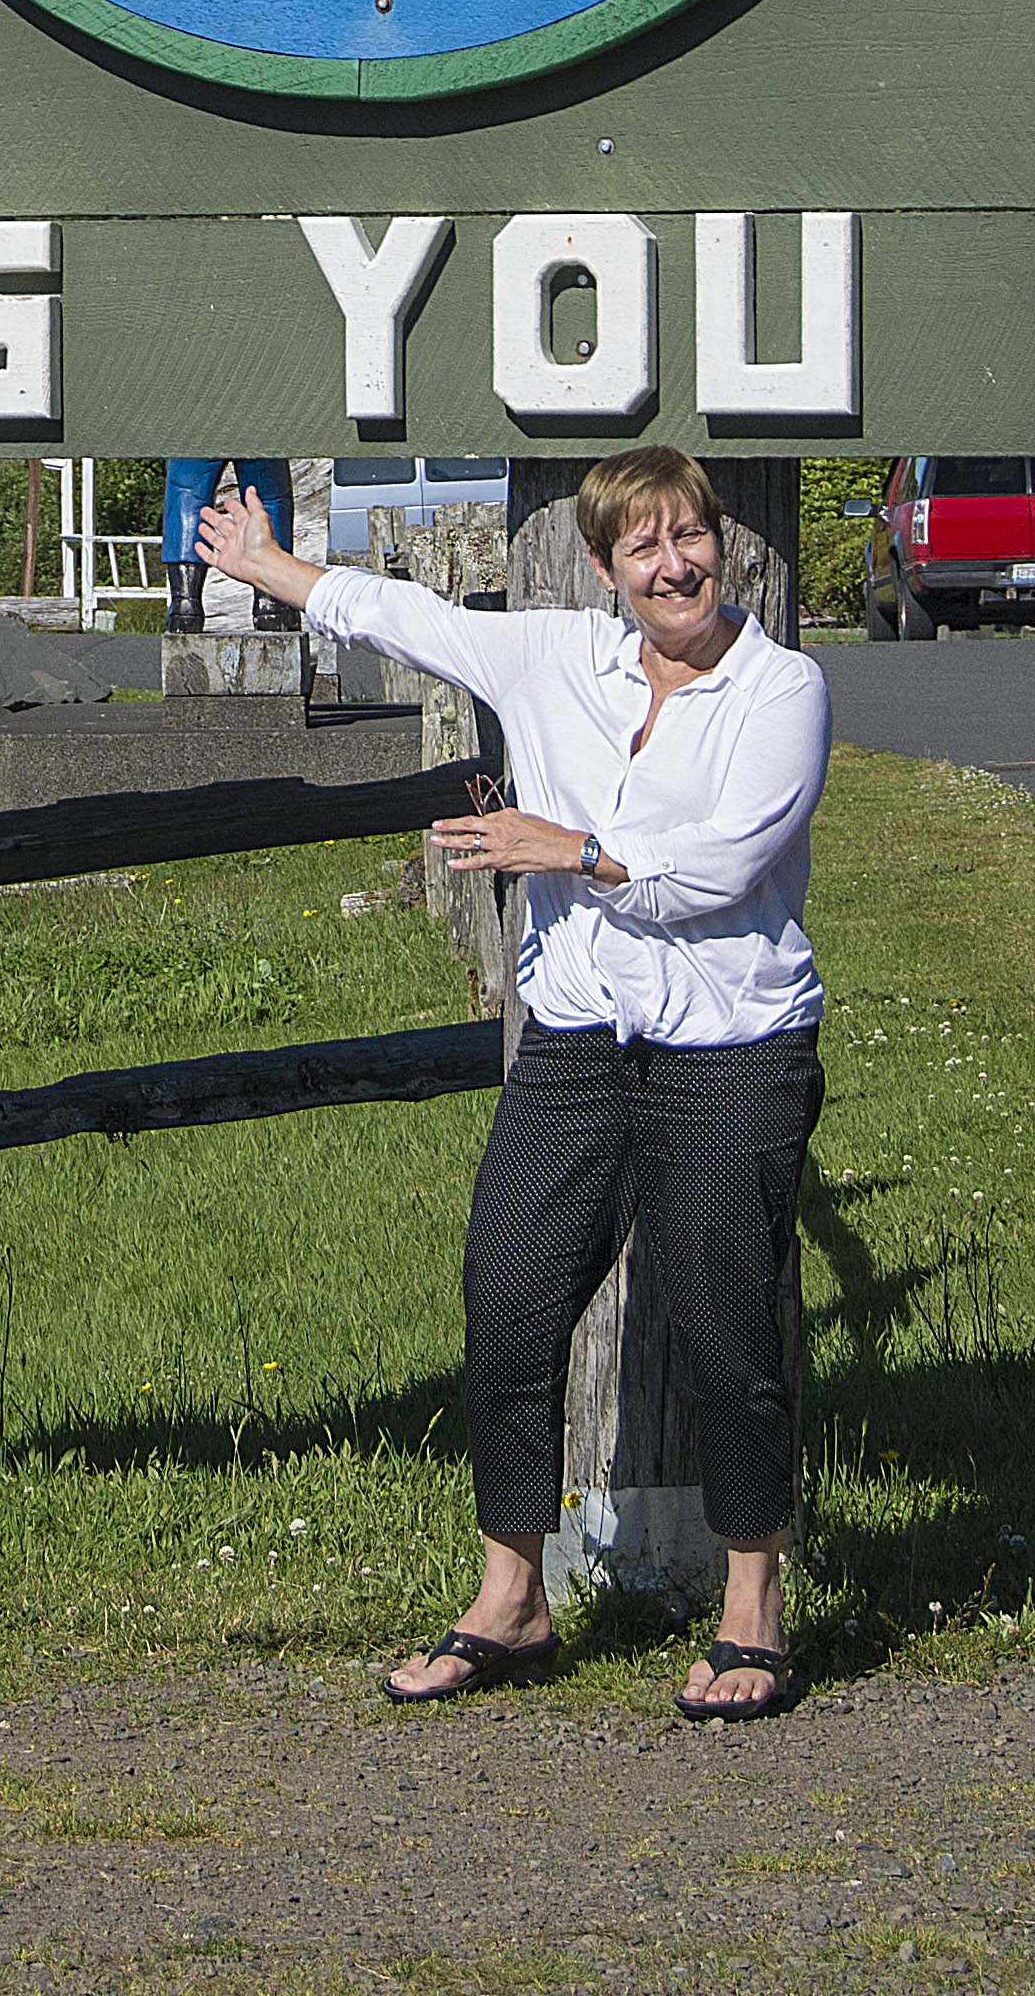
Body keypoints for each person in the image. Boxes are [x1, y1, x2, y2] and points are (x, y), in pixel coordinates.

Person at [191, 449, 827, 1721]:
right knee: (509, 1296)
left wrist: (570, 847)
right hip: (580, 1042)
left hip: (731, 1046)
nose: (675, 566)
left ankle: (751, 1611)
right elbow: (410, 617)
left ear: (722, 544)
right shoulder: (557, 658)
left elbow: (724, 866)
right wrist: (271, 567)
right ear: (604, 568)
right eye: (644, 546)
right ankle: (512, 1599)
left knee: (727, 1326)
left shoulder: (781, 687)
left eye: (692, 536)